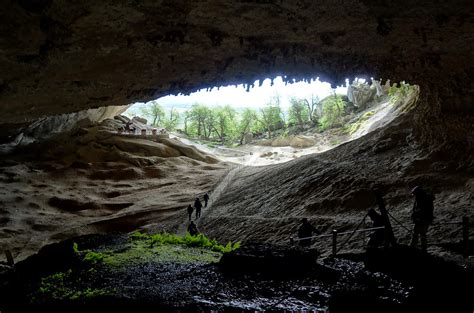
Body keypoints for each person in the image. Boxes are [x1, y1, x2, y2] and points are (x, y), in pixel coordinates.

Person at [410, 186, 435, 253]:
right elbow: (416, 209)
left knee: (418, 234)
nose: (414, 196)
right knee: (420, 234)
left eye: (415, 194)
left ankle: (414, 248)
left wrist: (417, 216)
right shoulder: (421, 198)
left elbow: (424, 210)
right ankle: (422, 249)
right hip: (421, 219)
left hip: (423, 219)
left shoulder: (424, 199)